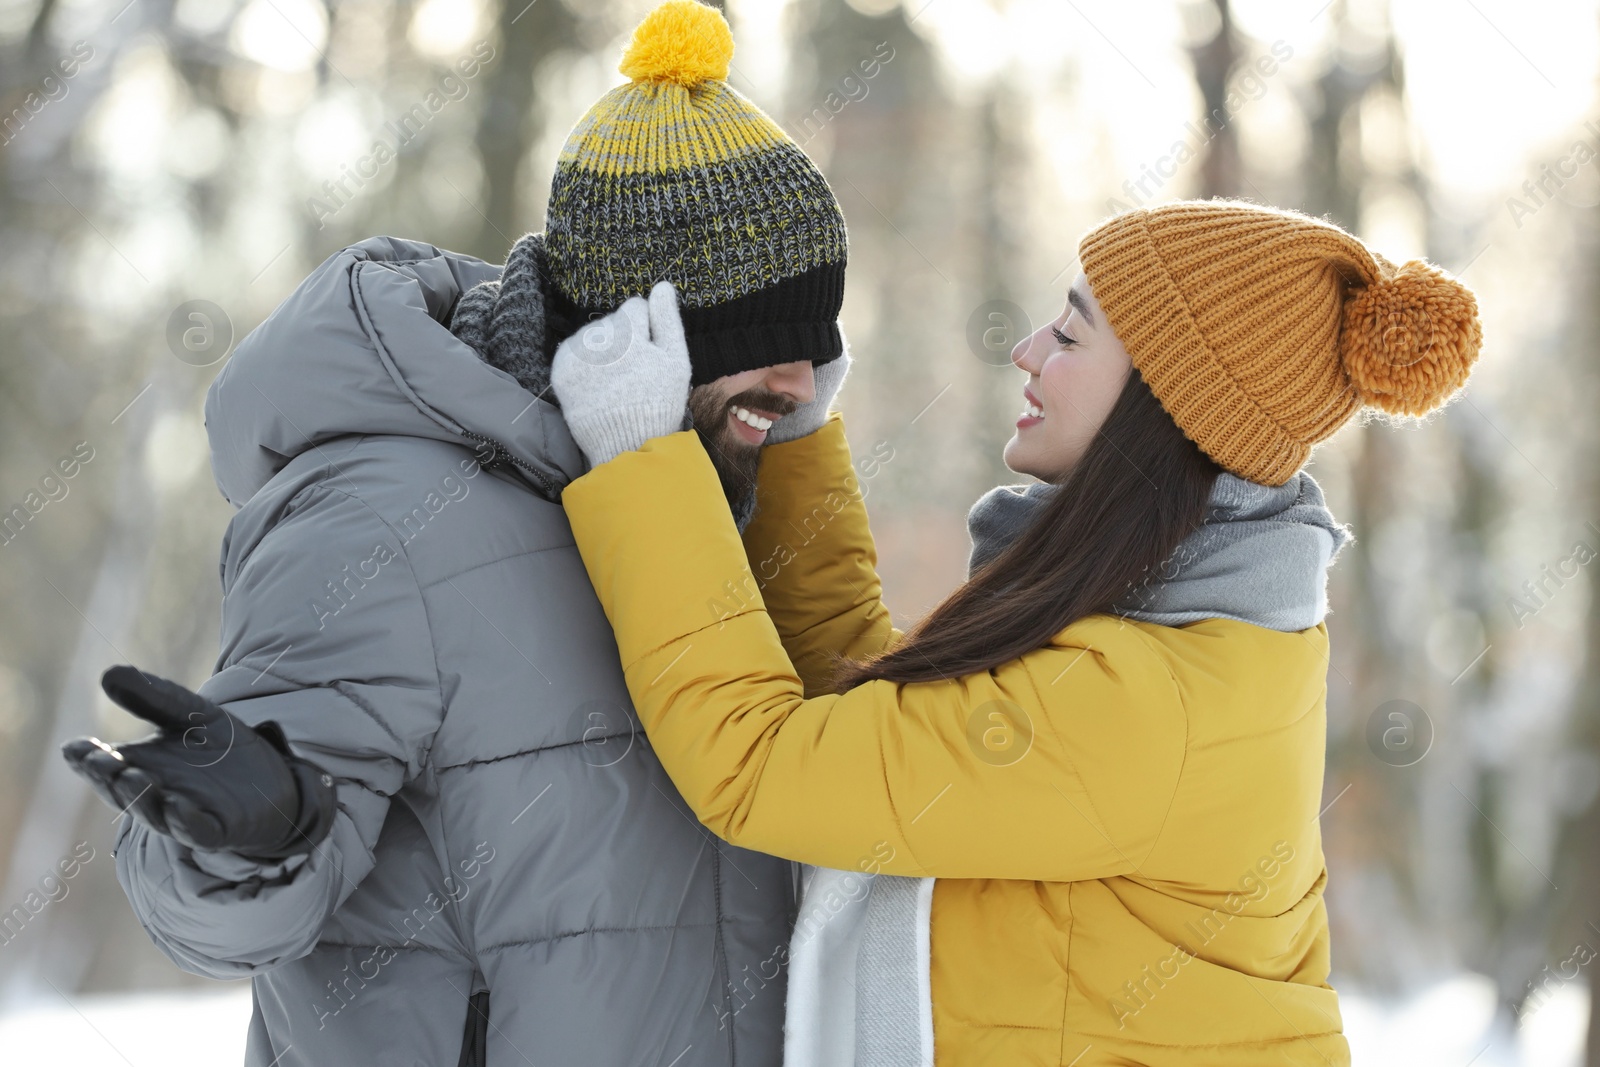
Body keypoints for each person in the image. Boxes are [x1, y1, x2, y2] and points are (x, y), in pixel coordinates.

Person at [58, 3, 850, 1064]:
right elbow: (212, 913)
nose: (803, 389)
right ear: (632, 330)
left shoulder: (709, 500)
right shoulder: (382, 517)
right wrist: (255, 834)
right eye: (765, 344)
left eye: (817, 344)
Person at [546, 198, 1484, 1065]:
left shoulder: (1140, 707)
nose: (1027, 350)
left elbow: (760, 763)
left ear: (1163, 406)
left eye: (1071, 333)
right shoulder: (1188, 628)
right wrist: (796, 449)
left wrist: (641, 459)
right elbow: (877, 713)